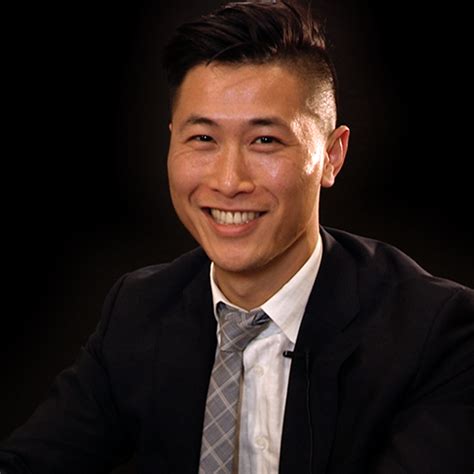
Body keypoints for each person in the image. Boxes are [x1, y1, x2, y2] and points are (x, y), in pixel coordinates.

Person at [1, 1, 473, 473]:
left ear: (332, 155)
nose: (228, 181)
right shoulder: (138, 311)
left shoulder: (435, 333)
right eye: (203, 139)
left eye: (265, 140)